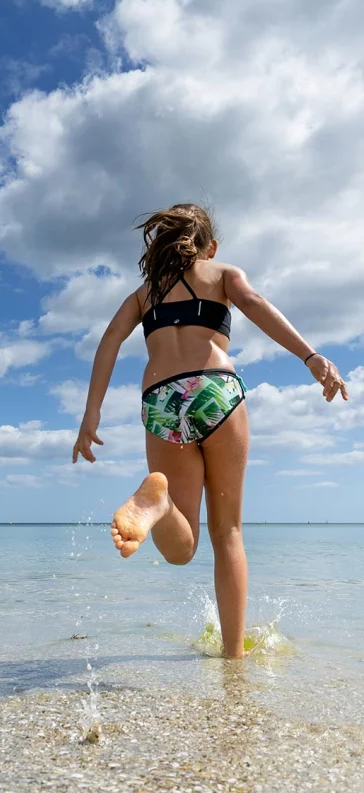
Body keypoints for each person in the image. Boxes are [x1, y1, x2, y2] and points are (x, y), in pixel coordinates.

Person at [71, 204, 348, 659]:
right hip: (215, 391)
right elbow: (257, 305)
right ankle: (233, 658)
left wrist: (91, 415)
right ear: (210, 245)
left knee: (181, 550)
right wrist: (311, 356)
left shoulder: (145, 295)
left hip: (161, 401)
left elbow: (109, 341)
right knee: (228, 534)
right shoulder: (222, 274)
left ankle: (159, 503)